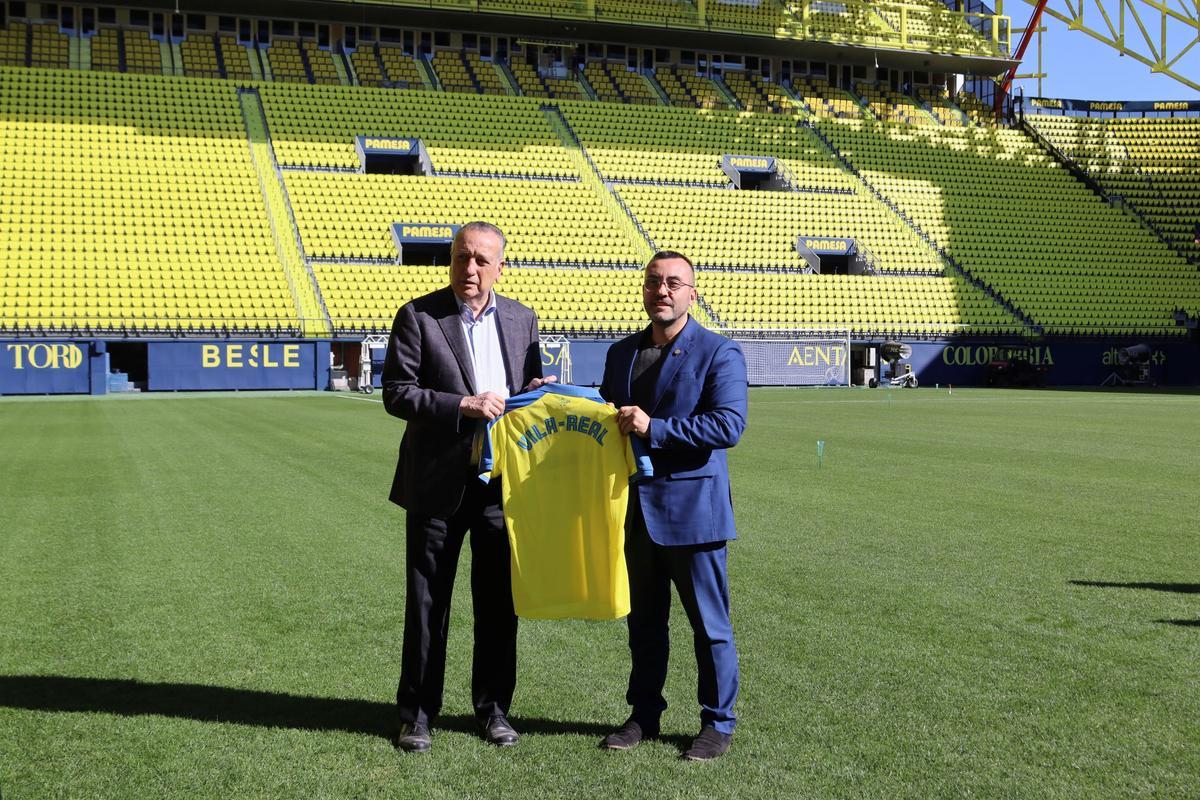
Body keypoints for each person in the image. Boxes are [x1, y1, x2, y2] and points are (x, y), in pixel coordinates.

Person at [382, 221, 550, 753]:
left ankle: (495, 709)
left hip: (504, 486)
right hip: (437, 484)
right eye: (461, 258)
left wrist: (537, 391)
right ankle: (417, 716)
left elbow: (527, 394)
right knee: (429, 602)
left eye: (481, 259)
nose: (470, 269)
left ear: (501, 265)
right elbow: (397, 393)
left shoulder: (523, 319)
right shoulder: (418, 314)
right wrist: (462, 405)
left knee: (500, 603)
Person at [598, 250, 749, 762]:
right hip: (634, 512)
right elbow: (604, 415)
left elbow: (727, 425)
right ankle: (644, 715)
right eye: (654, 282)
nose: (662, 290)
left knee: (710, 627)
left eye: (673, 283)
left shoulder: (718, 352)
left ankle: (717, 724)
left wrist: (654, 429)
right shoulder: (621, 353)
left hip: (694, 514)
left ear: (692, 293)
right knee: (644, 624)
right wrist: (556, 395)